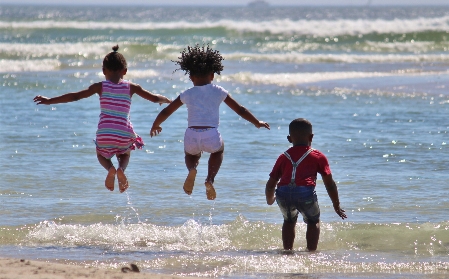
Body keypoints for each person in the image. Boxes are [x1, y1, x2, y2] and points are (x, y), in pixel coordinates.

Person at [33, 45, 171, 193]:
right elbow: (155, 98)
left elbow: (75, 96)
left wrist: (49, 100)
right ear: (125, 71)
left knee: (100, 154)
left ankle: (110, 168)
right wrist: (167, 100)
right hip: (124, 132)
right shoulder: (132, 87)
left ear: (104, 71)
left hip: (105, 133)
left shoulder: (99, 86)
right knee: (125, 153)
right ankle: (121, 169)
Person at [150, 45, 270, 200]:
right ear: (212, 75)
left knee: (190, 155)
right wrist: (256, 122)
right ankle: (210, 179)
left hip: (191, 134)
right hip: (211, 134)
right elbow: (240, 109)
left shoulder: (187, 93)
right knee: (218, 151)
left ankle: (192, 169)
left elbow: (167, 111)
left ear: (191, 77)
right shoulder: (218, 91)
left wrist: (156, 124)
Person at [265, 118, 346, 251]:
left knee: (289, 221)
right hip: (305, 194)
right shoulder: (318, 156)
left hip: (283, 194)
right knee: (313, 221)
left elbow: (270, 184)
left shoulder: (283, 157)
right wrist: (336, 204)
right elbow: (330, 184)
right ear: (311, 137)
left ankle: (287, 251)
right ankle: (311, 252)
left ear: (289, 139)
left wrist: (270, 199)